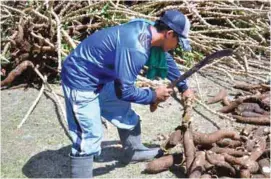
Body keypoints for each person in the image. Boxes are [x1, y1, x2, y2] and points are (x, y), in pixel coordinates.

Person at [61, 10, 194, 178]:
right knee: (89, 136)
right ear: (169, 34)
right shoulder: (136, 47)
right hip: (79, 78)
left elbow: (165, 59)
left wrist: (184, 87)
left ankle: (134, 152)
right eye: (178, 42)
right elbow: (124, 91)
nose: (176, 47)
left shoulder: (148, 30)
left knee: (123, 114)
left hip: (102, 77)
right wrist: (153, 96)